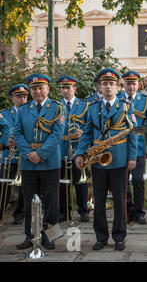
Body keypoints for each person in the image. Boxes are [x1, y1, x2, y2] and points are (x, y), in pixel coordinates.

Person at [75, 68, 138, 251]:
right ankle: (101, 237)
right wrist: (80, 153)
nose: (108, 87)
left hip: (119, 160)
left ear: (118, 86)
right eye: (105, 84)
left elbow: (133, 134)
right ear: (99, 87)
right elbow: (87, 133)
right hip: (98, 161)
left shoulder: (126, 105)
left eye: (111, 83)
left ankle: (119, 236)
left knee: (120, 201)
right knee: (99, 201)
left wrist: (132, 157)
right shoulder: (93, 107)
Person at [15, 74, 66, 251]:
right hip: (29, 162)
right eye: (34, 89)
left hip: (49, 161)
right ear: (30, 91)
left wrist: (40, 154)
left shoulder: (57, 108)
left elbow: (57, 135)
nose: (37, 91)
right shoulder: (23, 109)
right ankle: (30, 236)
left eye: (41, 88)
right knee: (29, 201)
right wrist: (30, 154)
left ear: (48, 89)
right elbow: (18, 133)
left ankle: (49, 237)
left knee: (51, 201)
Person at [120, 71, 147, 225]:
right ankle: (127, 210)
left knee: (138, 179)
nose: (131, 87)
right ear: (124, 84)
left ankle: (139, 211)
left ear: (139, 85)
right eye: (128, 83)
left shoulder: (145, 100)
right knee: (123, 181)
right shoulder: (118, 100)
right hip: (121, 146)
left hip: (140, 146)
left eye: (134, 83)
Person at [58, 76, 90, 223]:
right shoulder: (56, 106)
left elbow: (90, 125)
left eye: (69, 87)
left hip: (79, 148)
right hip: (62, 149)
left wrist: (83, 133)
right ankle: (65, 211)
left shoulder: (84, 105)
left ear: (74, 89)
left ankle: (84, 210)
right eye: (63, 88)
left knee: (81, 182)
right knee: (63, 182)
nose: (66, 91)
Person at [0, 84, 28, 225]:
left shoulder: (31, 111)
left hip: (24, 155)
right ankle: (1, 212)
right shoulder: (4, 114)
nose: (22, 99)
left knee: (24, 188)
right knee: (3, 185)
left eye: (24, 97)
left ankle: (19, 214)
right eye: (19, 97)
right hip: (8, 155)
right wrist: (5, 141)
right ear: (12, 98)